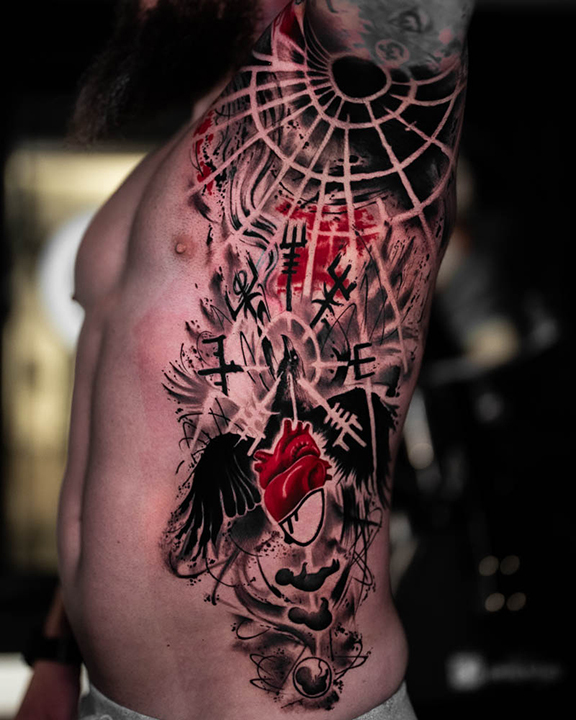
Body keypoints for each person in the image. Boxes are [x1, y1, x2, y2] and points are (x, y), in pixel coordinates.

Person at [15, 1, 474, 718]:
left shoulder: (355, 91)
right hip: (104, 699)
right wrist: (55, 655)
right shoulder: (177, 150)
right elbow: (119, 447)